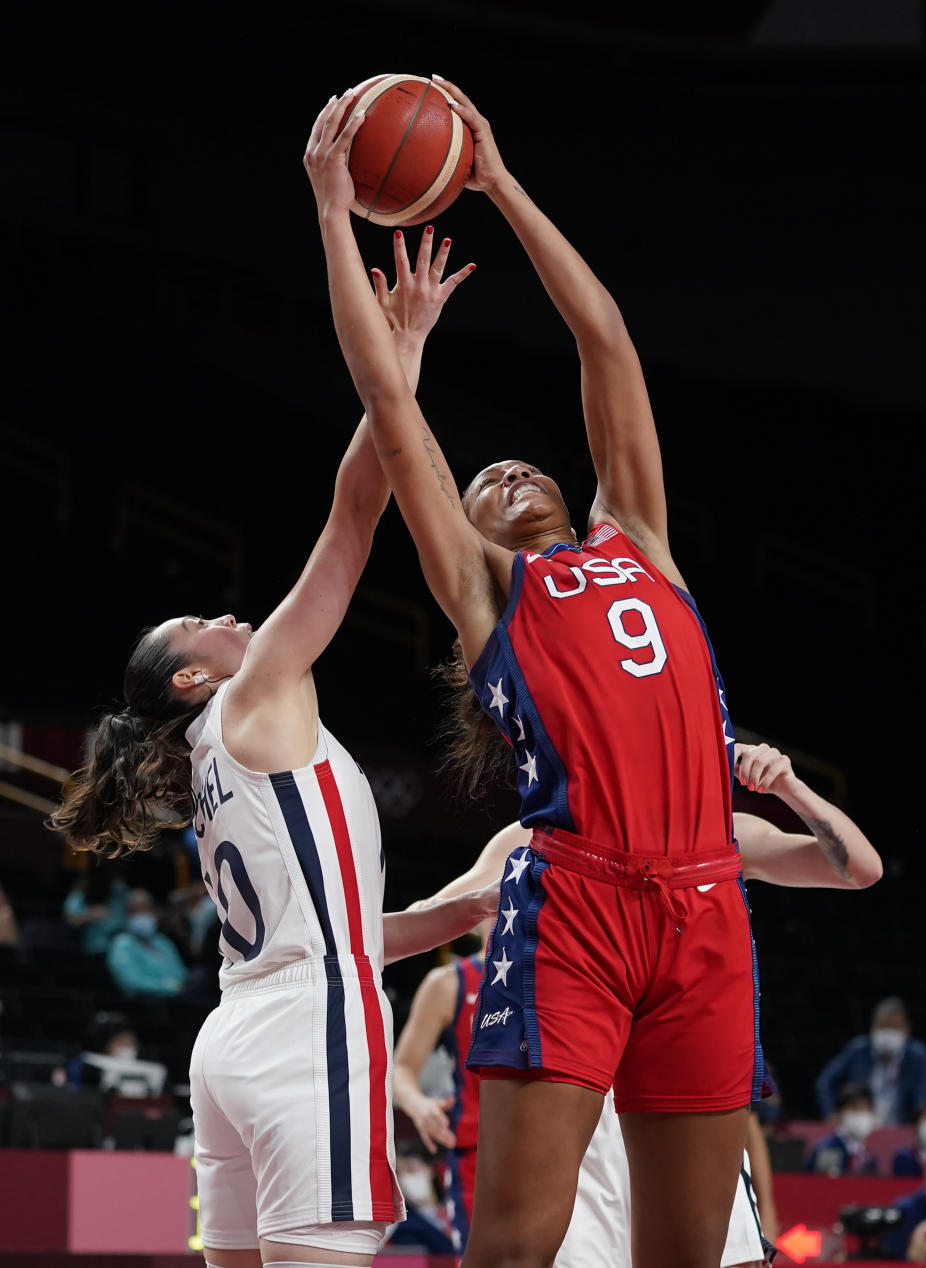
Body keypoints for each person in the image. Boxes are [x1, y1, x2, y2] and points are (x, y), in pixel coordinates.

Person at [308, 81, 770, 1268]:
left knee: (690, 1253)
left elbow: (604, 335)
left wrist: (500, 183)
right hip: (577, 909)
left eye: (521, 464)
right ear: (463, 529)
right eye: (483, 481)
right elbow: (388, 405)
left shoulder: (640, 539)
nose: (507, 468)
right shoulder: (489, 593)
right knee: (515, 1250)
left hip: (709, 907)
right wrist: (328, 210)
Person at [48, 131, 490, 1268]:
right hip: (305, 1038)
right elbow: (355, 518)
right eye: (201, 623)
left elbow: (328, 937)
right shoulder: (256, 695)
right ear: (194, 676)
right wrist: (397, 346)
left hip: (240, 1033)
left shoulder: (214, 754)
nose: (228, 615)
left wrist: (453, 912)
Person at [405, 738, 882, 1266]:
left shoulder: (722, 833)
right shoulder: (535, 836)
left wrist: (789, 788)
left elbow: (859, 869)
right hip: (579, 1112)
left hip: (678, 1100)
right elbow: (431, 913)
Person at [393, 925, 493, 1254]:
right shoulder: (449, 982)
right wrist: (418, 1104)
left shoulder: (567, 972)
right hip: (480, 1156)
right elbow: (401, 1068)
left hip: (572, 1150)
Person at [816, 996, 926, 1125]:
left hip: (900, 1127)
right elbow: (825, 1081)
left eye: (894, 1027)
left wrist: (917, 1125)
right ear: (873, 1027)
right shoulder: (857, 1050)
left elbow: (925, 1098)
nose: (887, 1033)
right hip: (859, 1125)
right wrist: (830, 1113)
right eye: (883, 1026)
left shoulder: (919, 1057)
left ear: (906, 1029)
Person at [105, 888, 188, 998]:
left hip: (178, 1000)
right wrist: (166, 987)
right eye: (136, 911)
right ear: (127, 915)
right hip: (145, 1005)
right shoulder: (122, 944)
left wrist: (176, 987)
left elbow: (181, 973)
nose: (142, 915)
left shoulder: (163, 941)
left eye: (146, 910)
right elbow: (131, 982)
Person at [805, 1083, 880, 1176]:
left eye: (864, 1109)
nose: (860, 1114)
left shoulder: (869, 1158)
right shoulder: (828, 1149)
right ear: (839, 1113)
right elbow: (825, 1186)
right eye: (854, 1108)